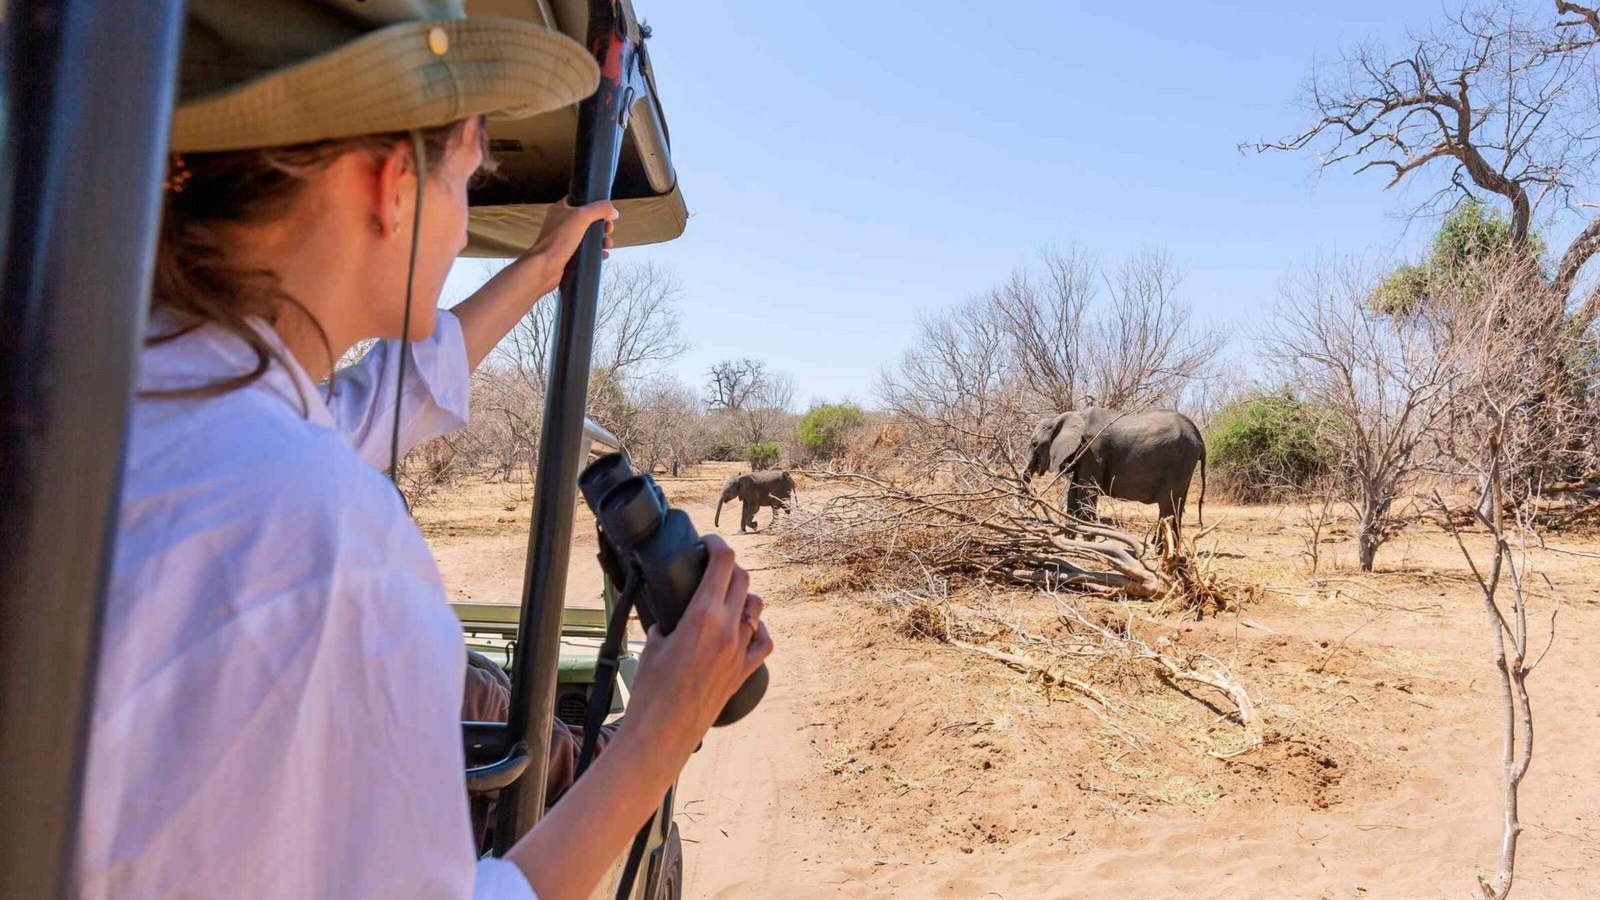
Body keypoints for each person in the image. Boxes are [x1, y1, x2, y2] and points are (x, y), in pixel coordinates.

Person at [72, 3, 772, 900]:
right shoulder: (321, 539)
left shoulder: (124, 404)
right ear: (392, 186)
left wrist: (538, 265)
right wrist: (664, 728)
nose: (465, 205)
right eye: (467, 171)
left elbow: (369, 408)